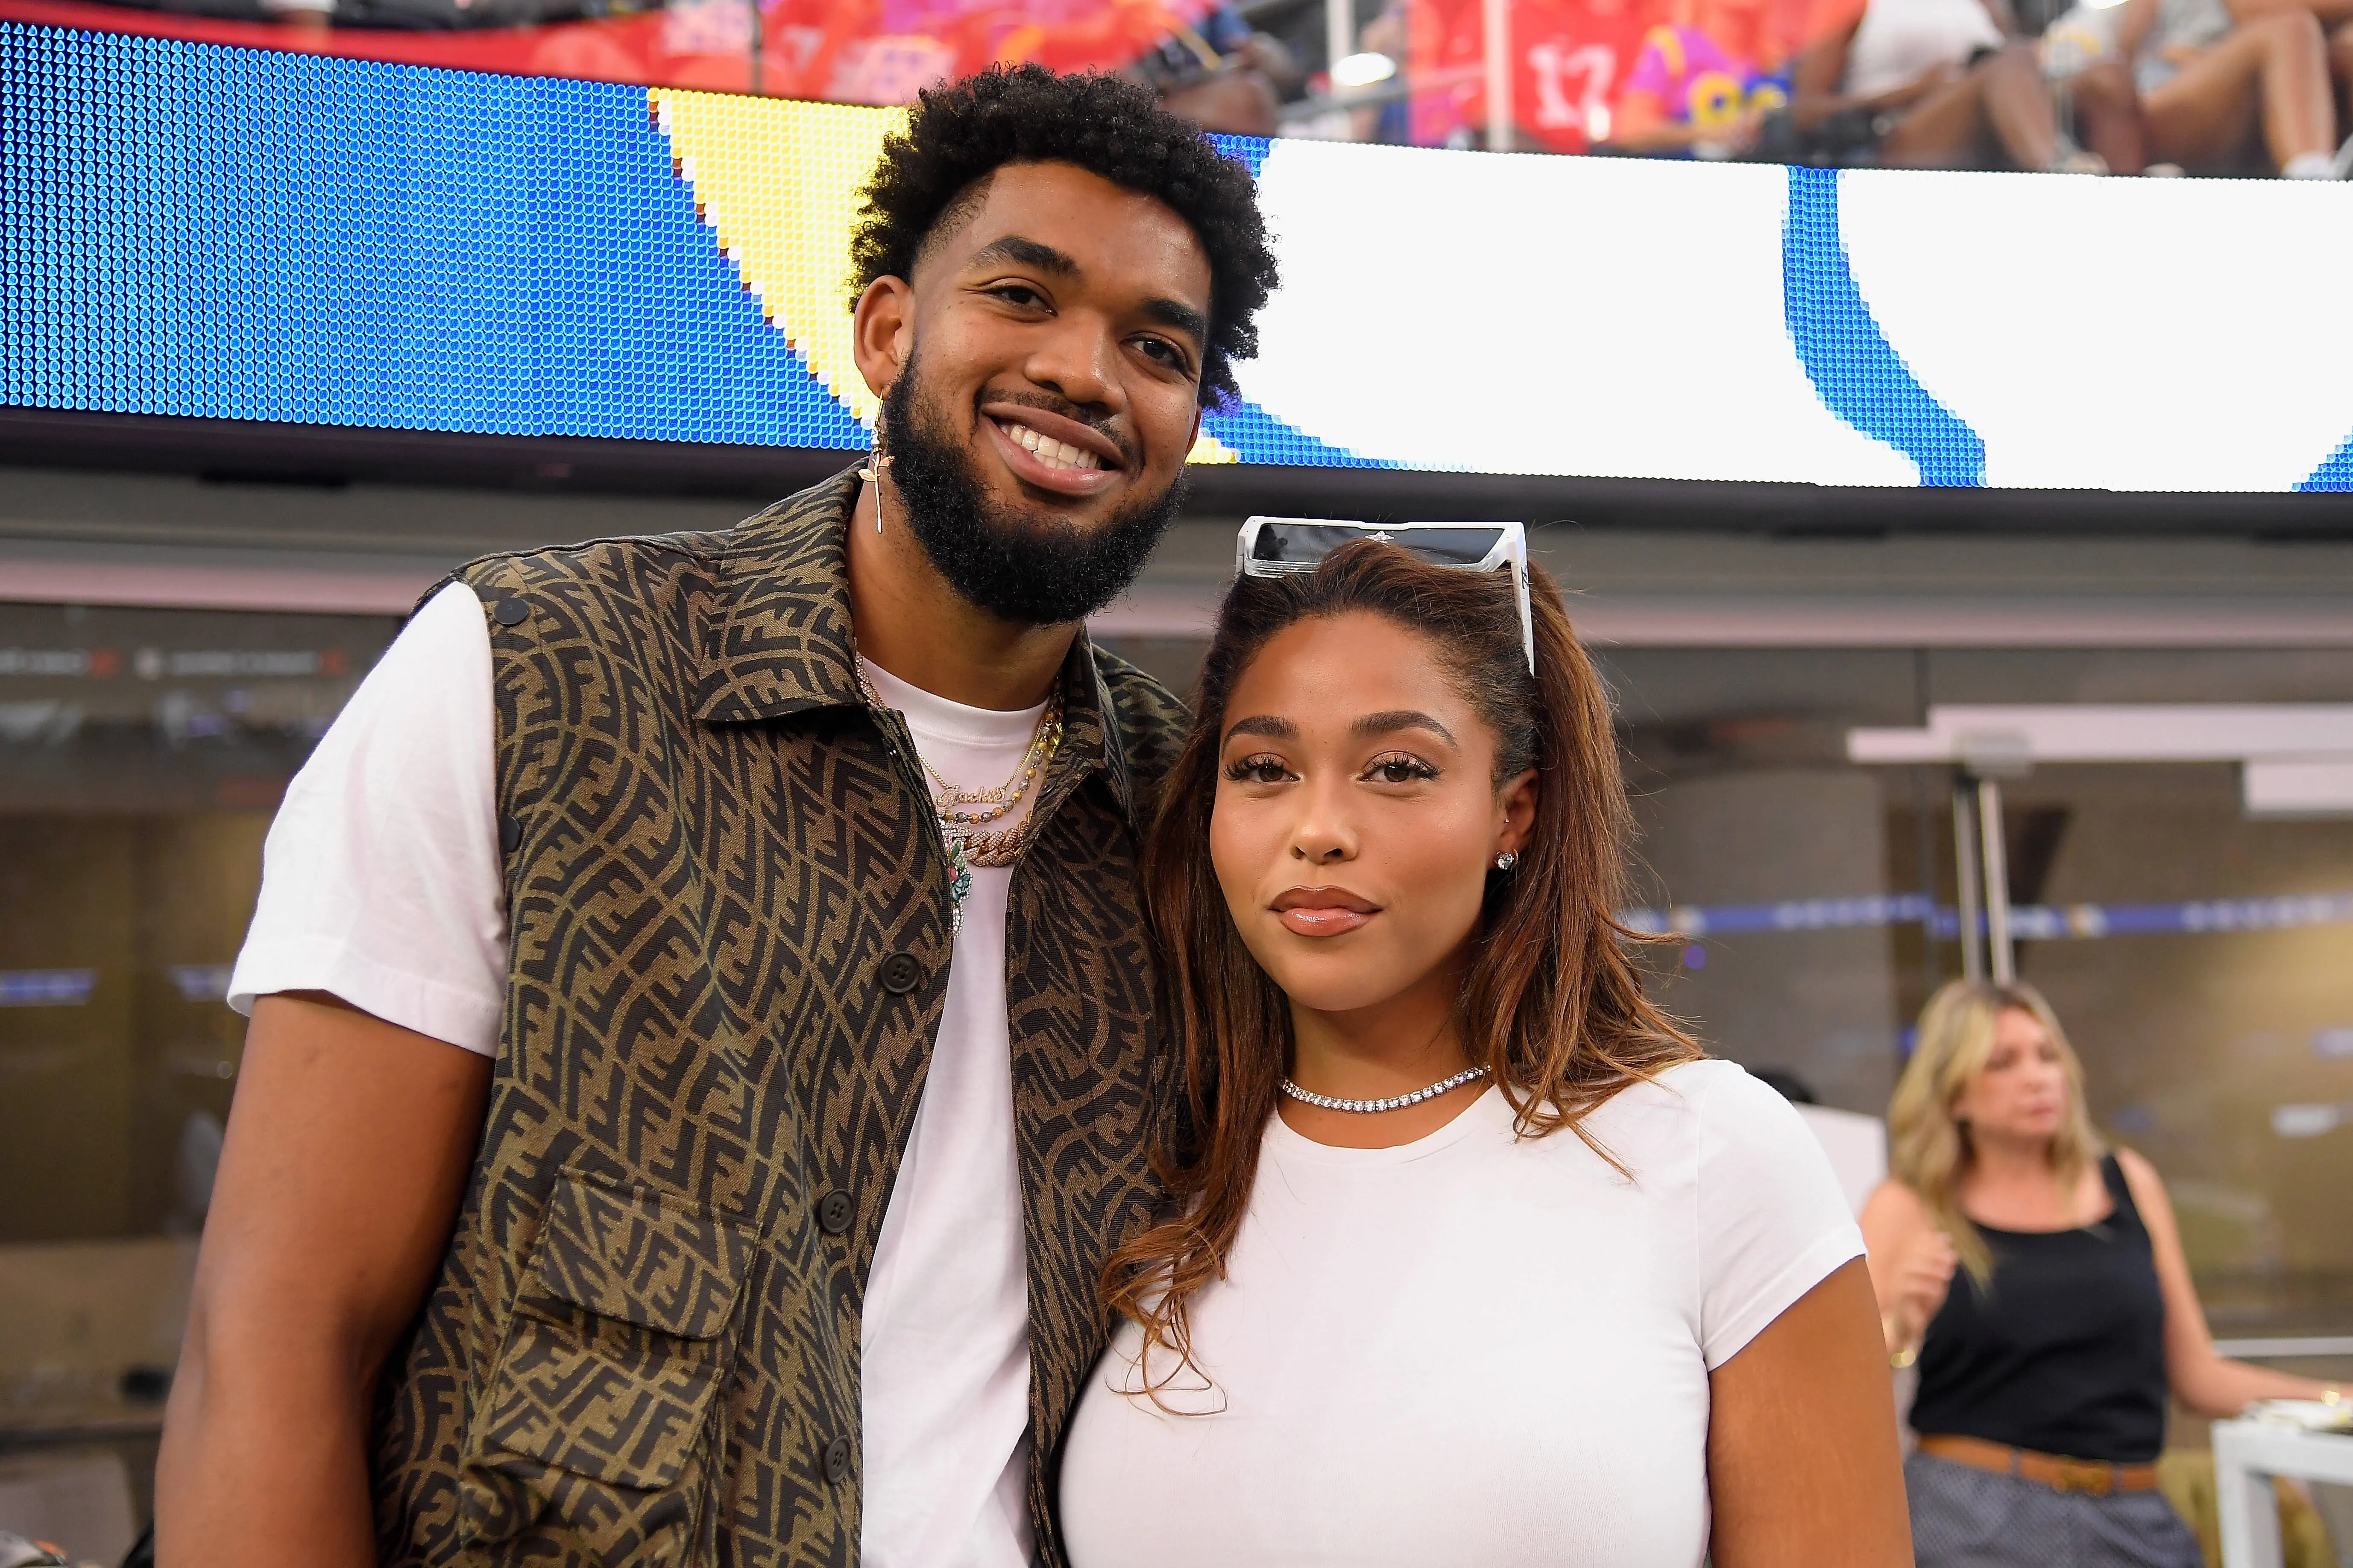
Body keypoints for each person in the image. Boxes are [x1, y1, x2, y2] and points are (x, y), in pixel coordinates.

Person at [152, 64, 1281, 1568]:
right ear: (885, 328)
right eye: (1022, 295)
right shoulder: (535, 670)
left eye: (1155, 345)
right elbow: (277, 1344)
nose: (1085, 371)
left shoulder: (1186, 818)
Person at [1058, 529, 1913, 1566]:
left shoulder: (1708, 1154)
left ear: (1516, 808)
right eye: (1266, 767)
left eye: (1398, 768)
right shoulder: (1142, 1164)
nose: (1318, 826)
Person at [1864, 979, 2342, 1568]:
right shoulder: (1910, 1204)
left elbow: (2198, 1376)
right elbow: (1840, 1392)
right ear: (1953, 1096)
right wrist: (1900, 1331)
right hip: (1971, 1514)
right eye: (2002, 1064)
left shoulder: (2126, 1182)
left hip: (2133, 1510)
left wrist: (2338, 1400)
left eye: (2047, 1055)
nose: (2037, 1077)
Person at [1787, 0, 2110, 168]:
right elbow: (1805, 110)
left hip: (1991, 118)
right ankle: (2060, 172)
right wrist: (1910, 91)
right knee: (2004, 70)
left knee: (2107, 78)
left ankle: (2125, 192)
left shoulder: (1983, 5)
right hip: (1895, 134)